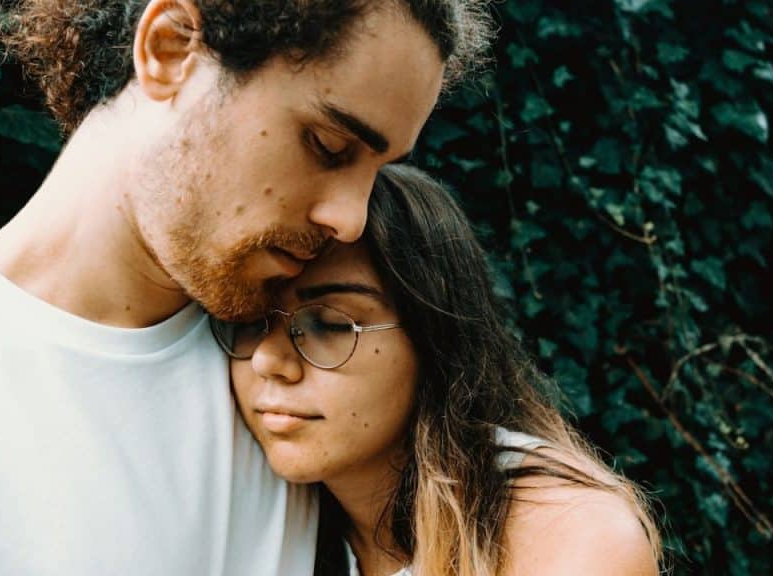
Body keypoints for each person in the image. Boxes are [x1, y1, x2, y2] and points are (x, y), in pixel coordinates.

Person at [0, 1, 491, 574]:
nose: (351, 219)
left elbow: (485, 472)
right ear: (169, 49)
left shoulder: (312, 363)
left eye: (377, 169)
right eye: (329, 146)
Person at [219, 165, 664, 576]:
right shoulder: (260, 514)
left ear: (433, 335)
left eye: (330, 325)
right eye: (251, 322)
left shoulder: (569, 536)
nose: (266, 359)